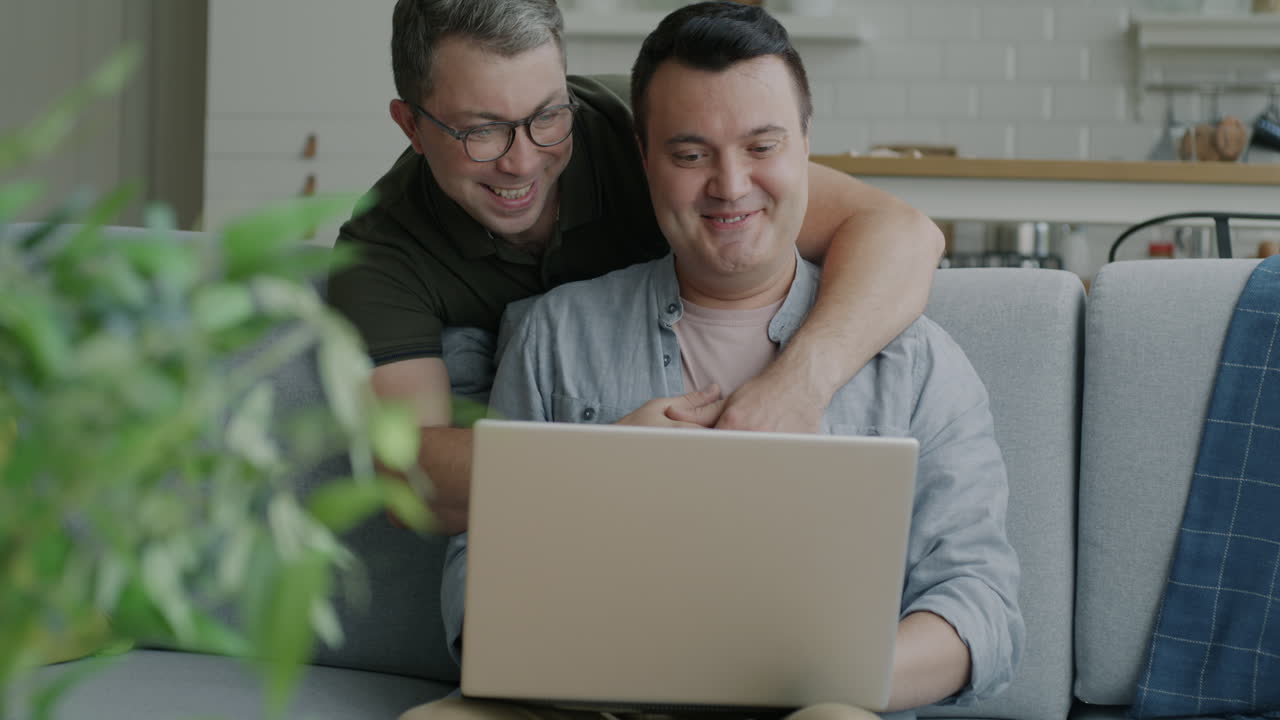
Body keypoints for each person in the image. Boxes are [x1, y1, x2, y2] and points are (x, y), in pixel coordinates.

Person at [406, 4, 1024, 720]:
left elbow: (981, 606)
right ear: (645, 161)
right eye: (691, 155)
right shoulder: (552, 337)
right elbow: (478, 582)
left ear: (806, 147)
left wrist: (820, 677)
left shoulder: (917, 363)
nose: (730, 186)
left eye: (762, 147)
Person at [326, 0, 944, 536]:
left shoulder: (653, 128)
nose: (522, 163)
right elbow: (404, 477)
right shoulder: (383, 247)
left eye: (547, 116)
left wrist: (796, 386)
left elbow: (905, 234)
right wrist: (610, 457)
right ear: (410, 125)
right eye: (481, 132)